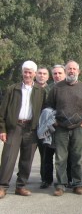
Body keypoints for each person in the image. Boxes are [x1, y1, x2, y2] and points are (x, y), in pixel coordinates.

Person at [0, 61, 46, 199]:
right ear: (22, 72)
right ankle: (2, 186)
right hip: (14, 128)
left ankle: (20, 186)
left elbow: (44, 112)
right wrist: (2, 129)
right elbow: (2, 111)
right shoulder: (12, 89)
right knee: (8, 157)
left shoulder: (40, 91)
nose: (27, 74)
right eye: (25, 71)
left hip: (31, 129)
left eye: (30, 72)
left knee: (27, 159)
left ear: (34, 74)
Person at [46, 60, 82, 196]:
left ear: (78, 71)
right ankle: (60, 185)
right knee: (60, 158)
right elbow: (48, 107)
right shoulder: (56, 88)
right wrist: (53, 121)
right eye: (69, 69)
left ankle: (77, 184)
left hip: (79, 128)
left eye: (74, 69)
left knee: (77, 157)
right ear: (65, 71)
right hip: (60, 128)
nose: (71, 71)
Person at [39, 64, 69, 189]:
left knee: (65, 155)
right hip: (49, 126)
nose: (57, 75)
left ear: (65, 73)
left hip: (65, 126)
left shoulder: (70, 87)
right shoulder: (47, 89)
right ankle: (46, 179)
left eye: (60, 73)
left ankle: (66, 179)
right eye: (55, 73)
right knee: (47, 154)